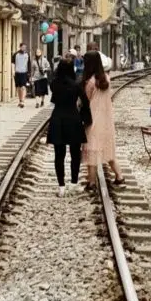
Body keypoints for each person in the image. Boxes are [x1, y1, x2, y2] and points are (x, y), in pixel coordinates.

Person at [82, 50, 125, 188]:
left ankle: (91, 181)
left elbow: (86, 99)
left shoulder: (90, 82)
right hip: (106, 119)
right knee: (108, 149)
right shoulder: (106, 78)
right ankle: (119, 176)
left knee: (91, 149)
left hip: (93, 119)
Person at [47, 57, 87, 196]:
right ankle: (74, 183)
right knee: (75, 154)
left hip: (58, 118)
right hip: (73, 119)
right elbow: (85, 102)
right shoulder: (76, 85)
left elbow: (54, 97)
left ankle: (61, 187)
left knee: (59, 154)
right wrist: (84, 117)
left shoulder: (54, 84)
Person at [12, 42, 30, 107]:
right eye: (23, 47)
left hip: (24, 73)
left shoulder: (27, 54)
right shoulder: (15, 54)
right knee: (19, 88)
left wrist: (29, 73)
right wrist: (13, 71)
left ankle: (22, 101)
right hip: (17, 73)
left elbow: (29, 64)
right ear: (20, 47)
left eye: (25, 47)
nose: (24, 48)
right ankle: (20, 100)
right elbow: (12, 63)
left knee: (23, 87)